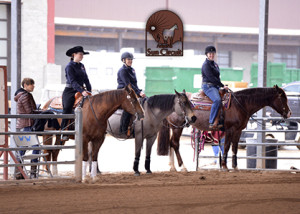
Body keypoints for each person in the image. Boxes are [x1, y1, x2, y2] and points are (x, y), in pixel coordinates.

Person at [61, 46, 92, 141]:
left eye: (82, 54)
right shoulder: (69, 66)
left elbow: (86, 79)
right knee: (67, 108)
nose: (82, 56)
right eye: (80, 54)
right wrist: (82, 91)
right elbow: (72, 81)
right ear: (74, 54)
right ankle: (64, 131)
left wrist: (89, 91)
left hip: (81, 91)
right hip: (70, 91)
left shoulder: (82, 66)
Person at [14, 78, 40, 179]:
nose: (33, 86)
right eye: (31, 84)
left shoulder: (22, 95)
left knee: (23, 148)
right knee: (35, 148)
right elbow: (29, 111)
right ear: (25, 85)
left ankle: (18, 172)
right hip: (28, 125)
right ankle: (32, 173)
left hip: (25, 125)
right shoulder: (25, 96)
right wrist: (41, 113)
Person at [117, 52, 146, 136]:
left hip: (132, 90)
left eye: (131, 59)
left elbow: (134, 84)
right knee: (129, 106)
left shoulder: (132, 70)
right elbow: (127, 84)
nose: (130, 61)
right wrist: (138, 92)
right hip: (123, 91)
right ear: (123, 60)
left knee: (145, 100)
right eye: (128, 59)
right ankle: (123, 129)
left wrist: (139, 91)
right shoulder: (122, 70)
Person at [201, 45, 228, 129]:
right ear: (206, 54)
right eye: (210, 53)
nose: (211, 55)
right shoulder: (205, 65)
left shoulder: (215, 65)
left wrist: (222, 86)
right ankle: (211, 122)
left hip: (215, 86)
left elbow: (217, 77)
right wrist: (222, 85)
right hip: (208, 86)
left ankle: (221, 119)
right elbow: (211, 78)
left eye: (213, 53)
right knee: (217, 100)